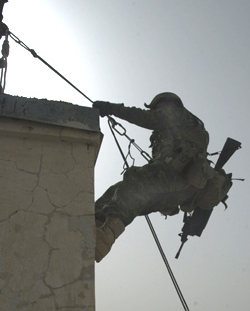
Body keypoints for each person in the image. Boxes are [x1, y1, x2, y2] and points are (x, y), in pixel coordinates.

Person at [93, 92, 232, 262]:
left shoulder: (180, 116)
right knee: (115, 191)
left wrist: (111, 108)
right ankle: (92, 227)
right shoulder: (176, 129)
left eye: (158, 108)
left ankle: (106, 236)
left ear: (168, 104)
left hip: (179, 178)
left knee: (135, 180)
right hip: (173, 186)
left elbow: (148, 118)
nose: (158, 111)